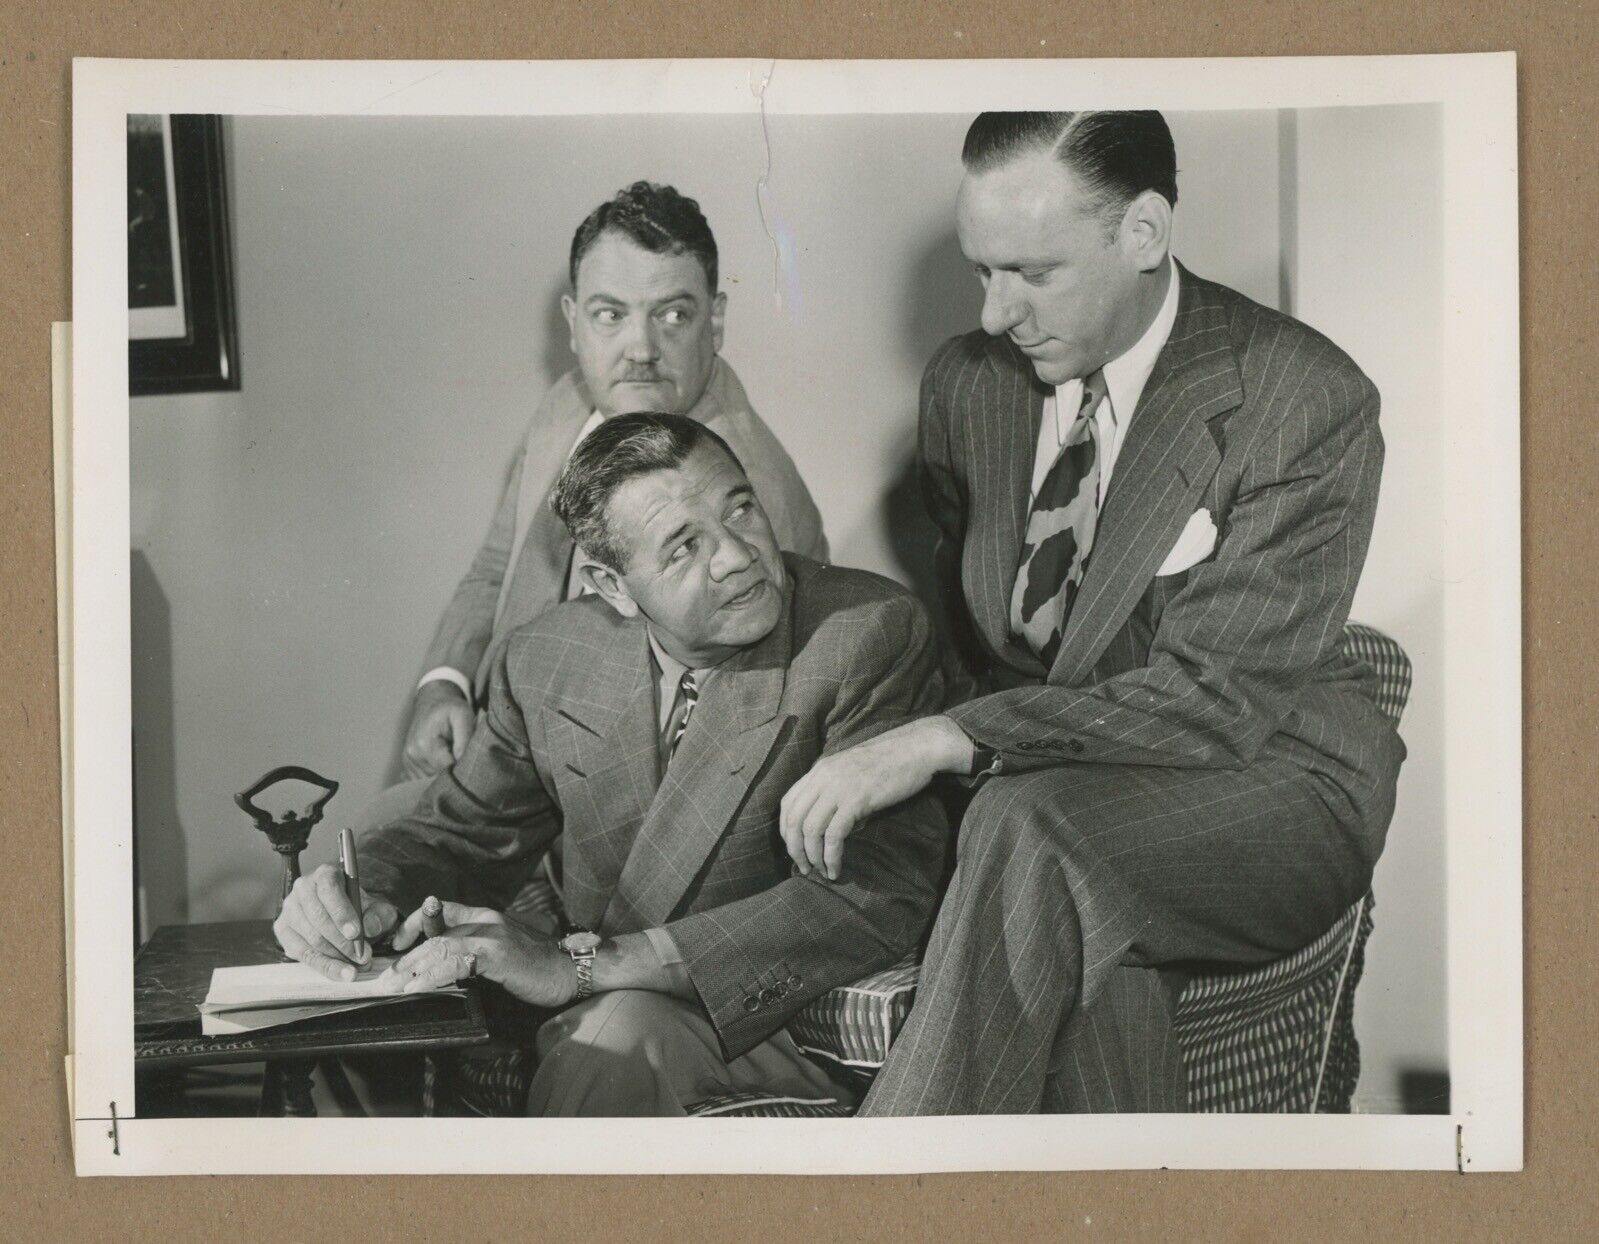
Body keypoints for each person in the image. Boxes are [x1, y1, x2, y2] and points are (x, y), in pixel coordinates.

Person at [778, 111, 1406, 1114]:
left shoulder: (1302, 395)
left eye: (1032, 271)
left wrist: (947, 739)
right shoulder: (967, 386)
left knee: (1032, 827)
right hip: (1072, 794)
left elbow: (1216, 701)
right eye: (983, 271)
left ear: (1144, 233)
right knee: (1077, 918)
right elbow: (986, 621)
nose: (994, 314)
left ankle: (888, 1193)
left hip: (1271, 777)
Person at [276, 412, 946, 1116]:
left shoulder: (864, 632)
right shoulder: (548, 657)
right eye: (683, 547)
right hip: (599, 1000)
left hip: (771, 1011)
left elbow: (875, 895)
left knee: (609, 1040)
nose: (736, 556)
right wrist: (365, 894)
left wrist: (582, 967)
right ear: (613, 587)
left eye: (740, 507)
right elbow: (462, 834)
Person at [385, 180, 828, 822]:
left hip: (609, 811)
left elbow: (717, 756)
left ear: (718, 320)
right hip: (508, 745)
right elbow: (497, 567)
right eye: (610, 315)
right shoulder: (569, 404)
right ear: (573, 323)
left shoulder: (748, 488)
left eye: (673, 314)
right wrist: (444, 685)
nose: (641, 350)